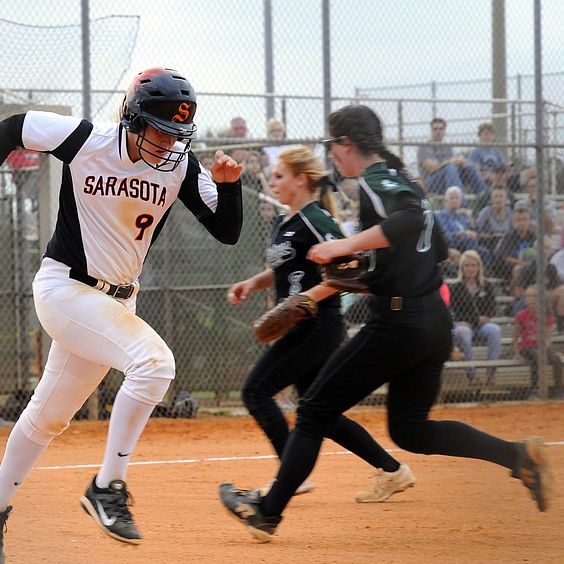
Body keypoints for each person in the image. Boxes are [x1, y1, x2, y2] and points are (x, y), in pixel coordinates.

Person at [218, 104, 549, 544]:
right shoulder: (403, 180)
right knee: (410, 429)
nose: (331, 156)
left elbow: (408, 223)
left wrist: (346, 245)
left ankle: (268, 512)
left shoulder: (375, 182)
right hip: (432, 319)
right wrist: (338, 277)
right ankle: (517, 456)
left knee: (314, 409)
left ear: (347, 144)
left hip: (399, 320)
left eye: (333, 146)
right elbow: (437, 250)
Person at [0, 67, 244, 563]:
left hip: (115, 302)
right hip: (65, 289)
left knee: (49, 417)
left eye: (177, 133)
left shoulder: (179, 164)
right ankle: (107, 488)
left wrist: (230, 185)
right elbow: (13, 127)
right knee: (155, 364)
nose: (166, 141)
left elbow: (227, 230)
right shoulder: (89, 138)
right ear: (131, 117)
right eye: (157, 128)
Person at [226, 145, 415, 502]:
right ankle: (393, 471)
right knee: (320, 411)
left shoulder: (318, 218)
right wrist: (254, 282)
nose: (272, 180)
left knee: (256, 391)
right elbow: (288, 269)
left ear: (301, 180)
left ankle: (289, 476)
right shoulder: (287, 220)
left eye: (280, 175)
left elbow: (349, 268)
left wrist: (309, 298)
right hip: (302, 324)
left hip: (316, 324)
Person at [449, 250, 502, 384]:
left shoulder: (487, 286)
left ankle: (491, 374)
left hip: (482, 326)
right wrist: (475, 319)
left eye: (473, 265)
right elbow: (454, 312)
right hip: (463, 326)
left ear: (479, 267)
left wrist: (472, 320)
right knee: (464, 333)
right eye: (467, 265)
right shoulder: (455, 288)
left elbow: (491, 310)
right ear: (461, 268)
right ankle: (472, 376)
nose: (470, 268)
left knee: (495, 330)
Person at [513, 284, 564, 400]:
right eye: (528, 296)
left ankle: (558, 391)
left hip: (542, 347)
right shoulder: (522, 315)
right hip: (528, 347)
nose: (531, 299)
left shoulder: (546, 316)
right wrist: (516, 353)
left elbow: (547, 338)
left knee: (556, 359)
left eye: (534, 296)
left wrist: (545, 349)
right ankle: (535, 390)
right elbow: (515, 337)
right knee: (536, 356)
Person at [417, 118, 487, 196]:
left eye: (441, 129)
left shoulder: (447, 147)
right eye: (435, 129)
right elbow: (431, 169)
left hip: (448, 180)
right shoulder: (424, 147)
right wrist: (449, 162)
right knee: (450, 167)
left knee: (469, 166)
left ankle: (484, 196)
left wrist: (460, 162)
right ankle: (460, 204)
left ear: (444, 131)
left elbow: (453, 163)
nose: (438, 132)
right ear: (431, 131)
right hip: (431, 183)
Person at [436, 185, 491, 266]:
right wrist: (463, 233)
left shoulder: (462, 216)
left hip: (469, 244)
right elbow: (446, 235)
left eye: (457, 198)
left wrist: (469, 217)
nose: (454, 200)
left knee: (485, 252)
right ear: (446, 201)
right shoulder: (442, 216)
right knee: (471, 244)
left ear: (460, 201)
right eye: (452, 198)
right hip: (455, 244)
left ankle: (483, 273)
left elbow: (475, 231)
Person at [491, 207, 534, 281]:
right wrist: (523, 263)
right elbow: (506, 258)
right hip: (508, 268)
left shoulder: (533, 236)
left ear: (529, 221)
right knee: (518, 269)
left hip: (529, 266)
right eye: (519, 220)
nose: (522, 223)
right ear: (514, 222)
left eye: (525, 219)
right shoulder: (509, 236)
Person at [474, 184, 513, 253]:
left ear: (506, 199)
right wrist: (492, 235)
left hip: (507, 242)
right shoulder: (486, 212)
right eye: (495, 197)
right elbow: (477, 231)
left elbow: (513, 230)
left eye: (501, 196)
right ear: (491, 199)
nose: (498, 200)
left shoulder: (509, 212)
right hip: (490, 242)